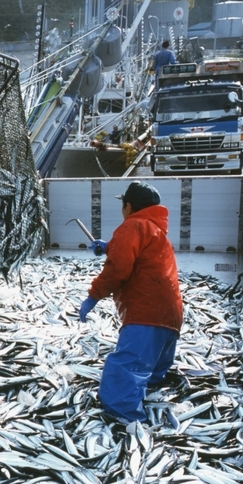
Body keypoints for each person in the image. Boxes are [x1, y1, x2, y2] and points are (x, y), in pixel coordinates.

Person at [80, 181, 183, 423]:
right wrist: (110, 247)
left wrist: (93, 296)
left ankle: (126, 419)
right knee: (152, 369)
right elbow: (141, 254)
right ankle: (150, 397)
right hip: (170, 314)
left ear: (128, 206)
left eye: (123, 205)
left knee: (125, 370)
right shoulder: (157, 230)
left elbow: (118, 270)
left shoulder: (133, 225)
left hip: (146, 313)